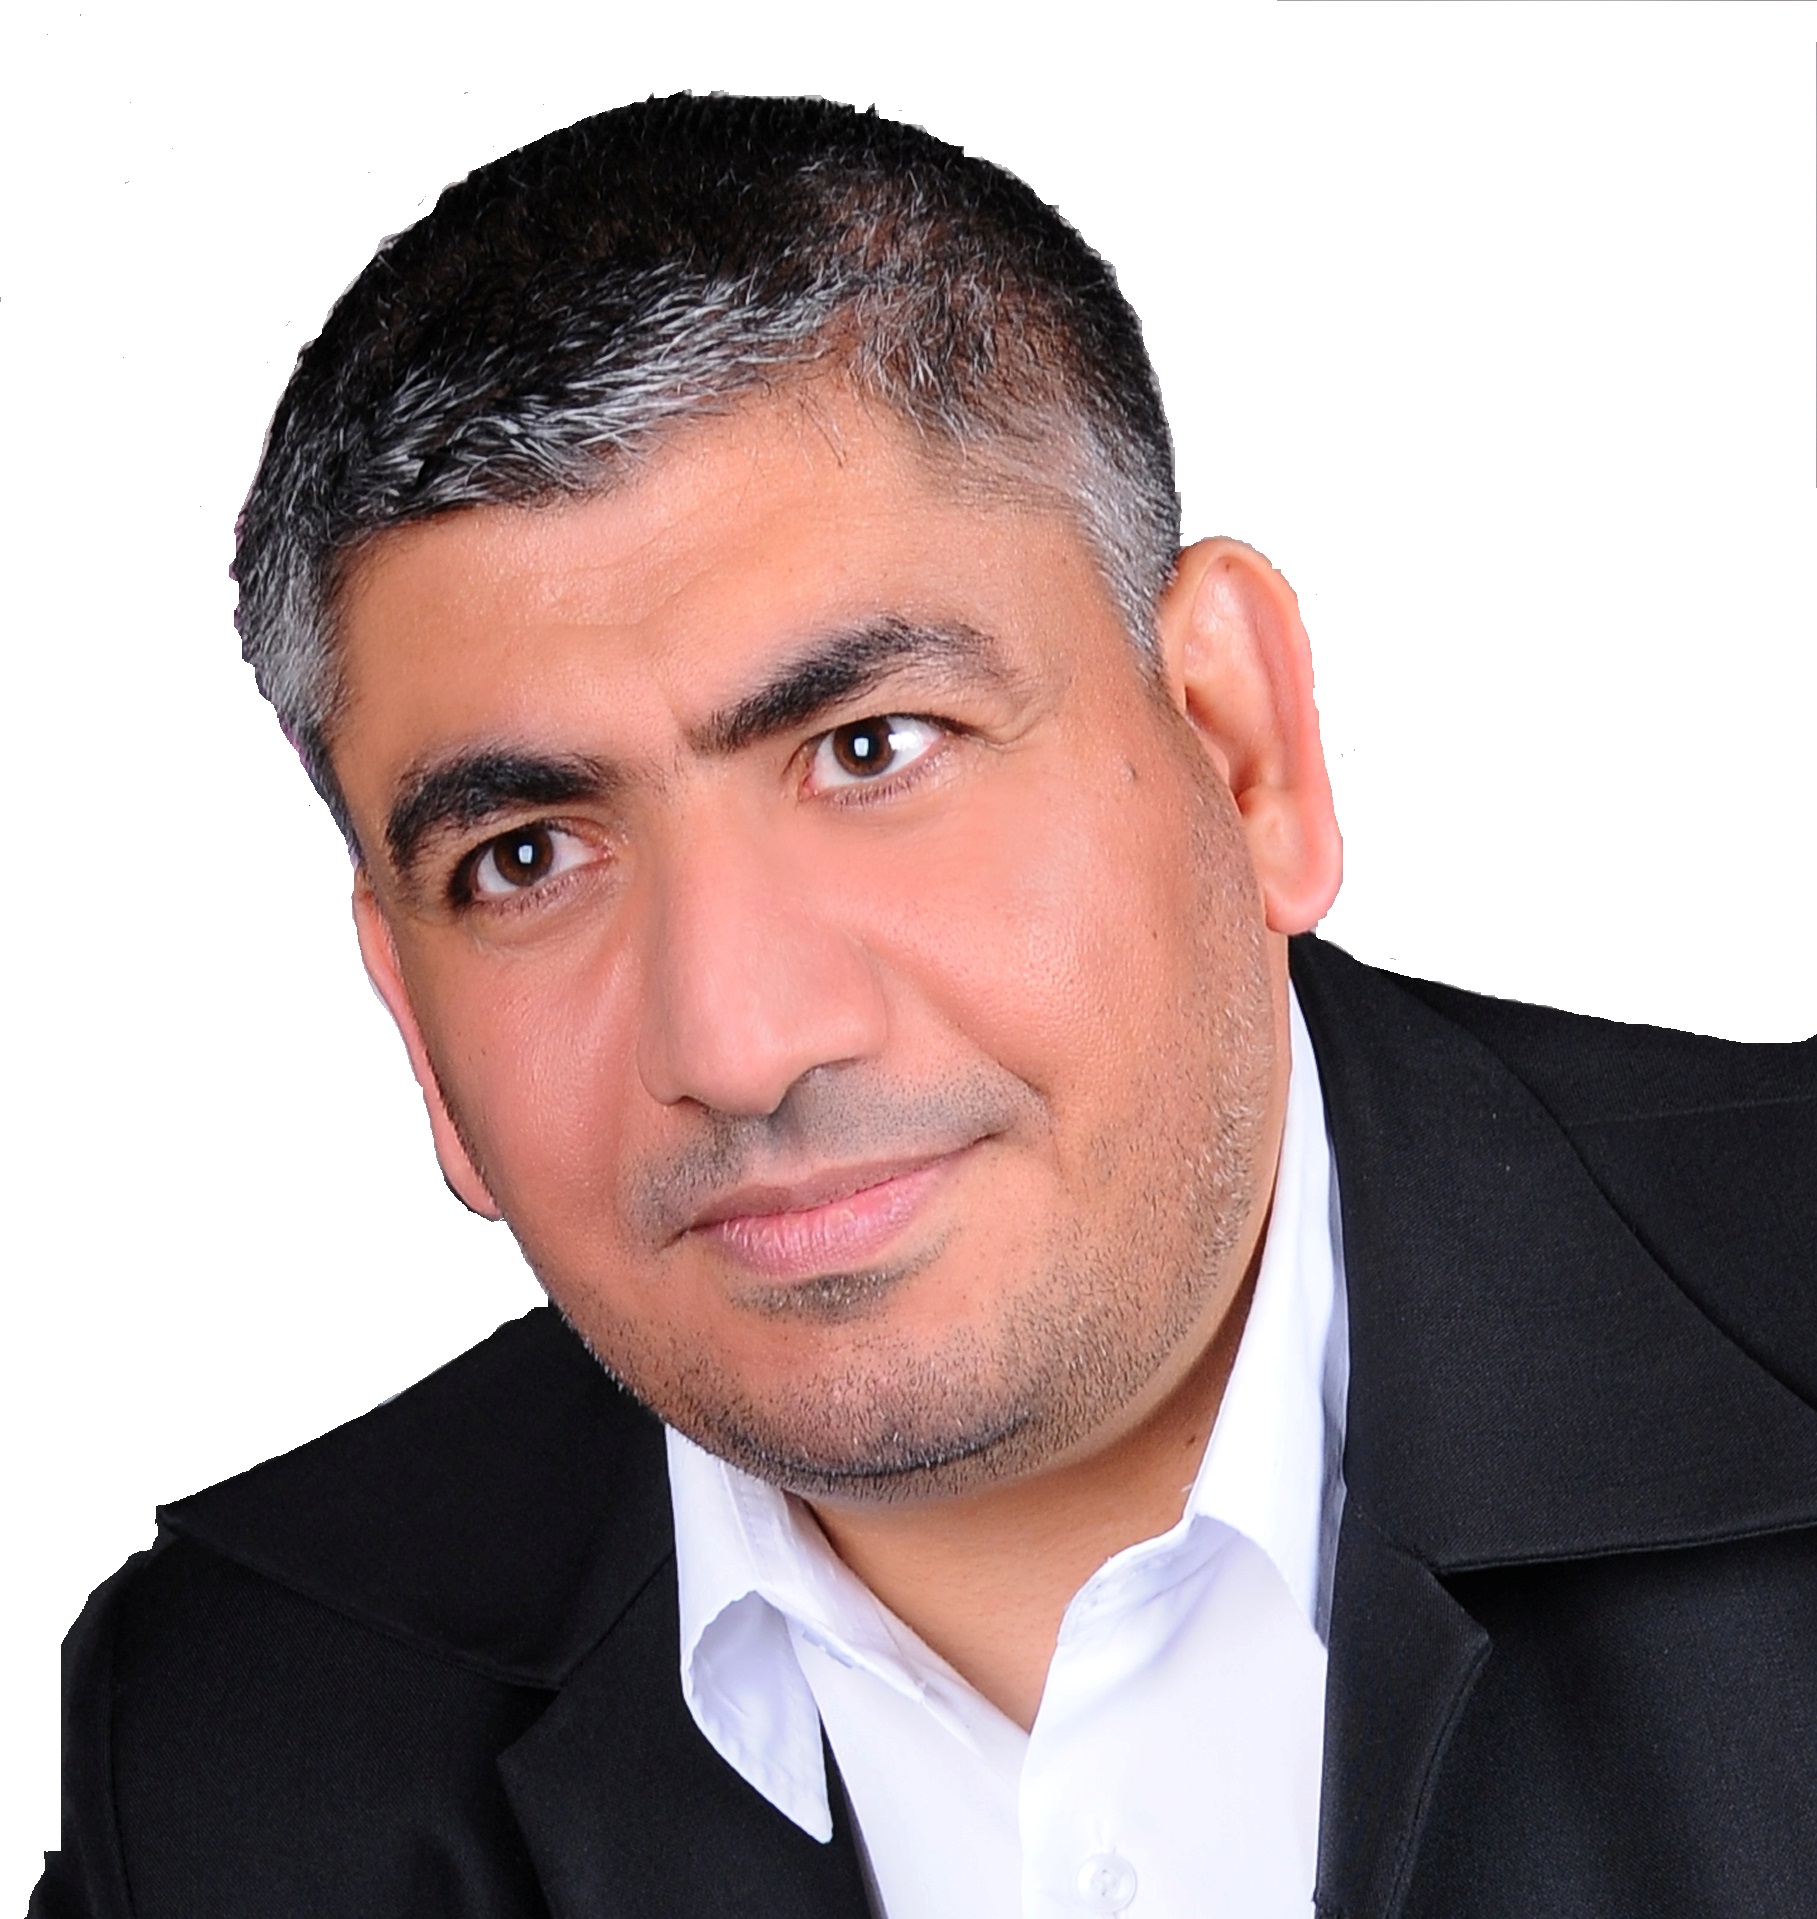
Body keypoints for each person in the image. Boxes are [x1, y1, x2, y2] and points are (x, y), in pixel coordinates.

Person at [32, 93, 1816, 1919]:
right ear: (414, 1022)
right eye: (527, 857)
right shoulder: (234, 1750)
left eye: (871, 748)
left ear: (1238, 751)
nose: (738, 1042)